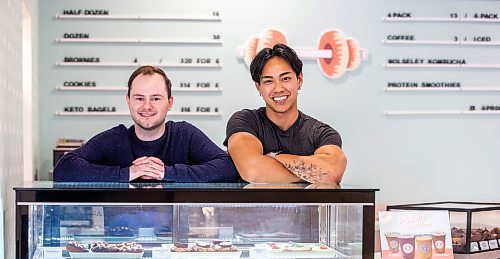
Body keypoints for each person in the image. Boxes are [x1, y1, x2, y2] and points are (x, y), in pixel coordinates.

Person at [54, 65, 238, 182]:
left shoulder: (184, 134)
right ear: (128, 101)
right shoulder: (115, 138)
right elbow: (64, 168)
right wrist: (127, 173)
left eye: (156, 98)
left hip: (177, 239)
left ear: (170, 102)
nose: (147, 106)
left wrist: (166, 172)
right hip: (117, 240)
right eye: (139, 98)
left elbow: (227, 167)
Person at [224, 44, 347, 184]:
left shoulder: (321, 134)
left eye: (286, 78)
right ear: (259, 87)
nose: (278, 88)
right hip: (253, 206)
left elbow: (333, 171)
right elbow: (253, 171)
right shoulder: (245, 122)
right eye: (268, 81)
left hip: (305, 207)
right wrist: (312, 176)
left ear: (299, 80)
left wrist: (274, 157)